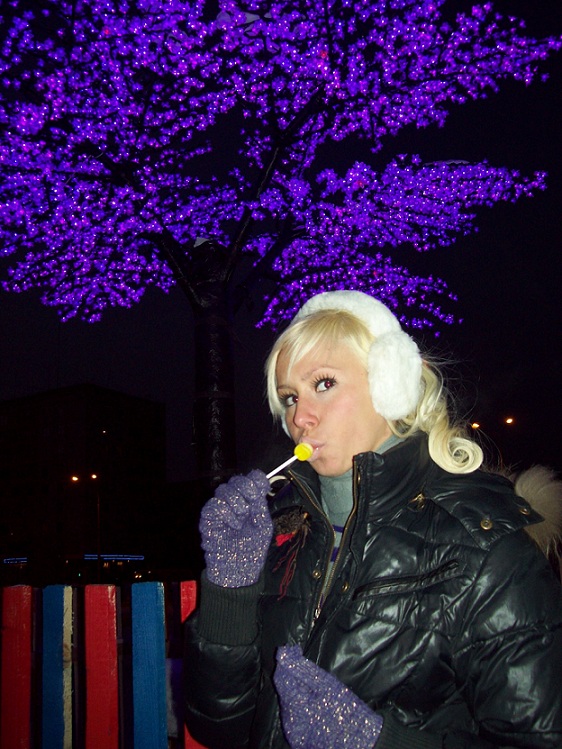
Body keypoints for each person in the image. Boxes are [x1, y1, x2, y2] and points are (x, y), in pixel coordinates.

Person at [184, 290, 562, 749]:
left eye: (324, 383)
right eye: (290, 397)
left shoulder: (484, 550)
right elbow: (220, 729)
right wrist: (230, 589)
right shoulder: (280, 532)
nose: (300, 417)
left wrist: (379, 742)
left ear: (390, 385)